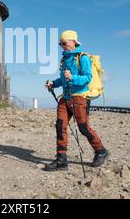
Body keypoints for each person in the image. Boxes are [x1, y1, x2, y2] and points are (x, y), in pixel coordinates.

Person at [44, 30, 108, 171]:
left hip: (80, 98)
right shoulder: (65, 59)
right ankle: (61, 160)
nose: (62, 46)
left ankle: (101, 151)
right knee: (60, 126)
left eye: (64, 43)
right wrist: (53, 84)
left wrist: (72, 77)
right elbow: (63, 79)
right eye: (60, 44)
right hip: (65, 98)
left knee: (83, 128)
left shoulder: (83, 58)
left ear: (73, 41)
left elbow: (87, 78)